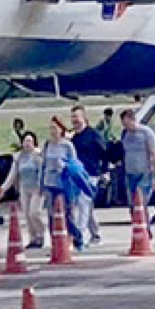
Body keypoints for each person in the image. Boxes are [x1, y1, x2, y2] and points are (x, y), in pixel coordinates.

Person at [0, 130, 48, 250]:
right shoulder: (19, 157)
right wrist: (3, 188)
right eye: (25, 141)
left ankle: (41, 233)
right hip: (24, 188)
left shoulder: (38, 155)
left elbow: (42, 172)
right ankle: (33, 238)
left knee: (34, 212)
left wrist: (42, 187)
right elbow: (13, 174)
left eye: (30, 141)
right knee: (27, 214)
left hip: (37, 187)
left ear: (34, 142)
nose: (27, 144)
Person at [41, 117, 83, 250]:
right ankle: (55, 242)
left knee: (67, 213)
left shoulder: (67, 145)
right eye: (51, 128)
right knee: (51, 214)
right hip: (49, 182)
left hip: (64, 183)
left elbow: (75, 164)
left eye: (55, 128)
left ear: (61, 129)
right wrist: (41, 183)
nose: (53, 131)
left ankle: (74, 237)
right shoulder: (47, 144)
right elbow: (43, 165)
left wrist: (64, 165)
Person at [118, 108, 155, 229]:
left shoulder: (146, 133)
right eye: (123, 124)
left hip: (145, 173)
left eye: (127, 123)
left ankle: (146, 229)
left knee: (141, 203)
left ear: (133, 120)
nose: (126, 126)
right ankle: (138, 227)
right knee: (132, 205)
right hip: (130, 173)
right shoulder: (125, 134)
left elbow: (154, 153)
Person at [68, 105, 105, 245]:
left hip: (91, 174)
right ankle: (96, 234)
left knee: (84, 204)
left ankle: (79, 235)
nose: (74, 120)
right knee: (86, 206)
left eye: (77, 116)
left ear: (84, 117)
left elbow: (104, 152)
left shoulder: (93, 135)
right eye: (72, 117)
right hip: (77, 175)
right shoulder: (73, 138)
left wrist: (104, 171)